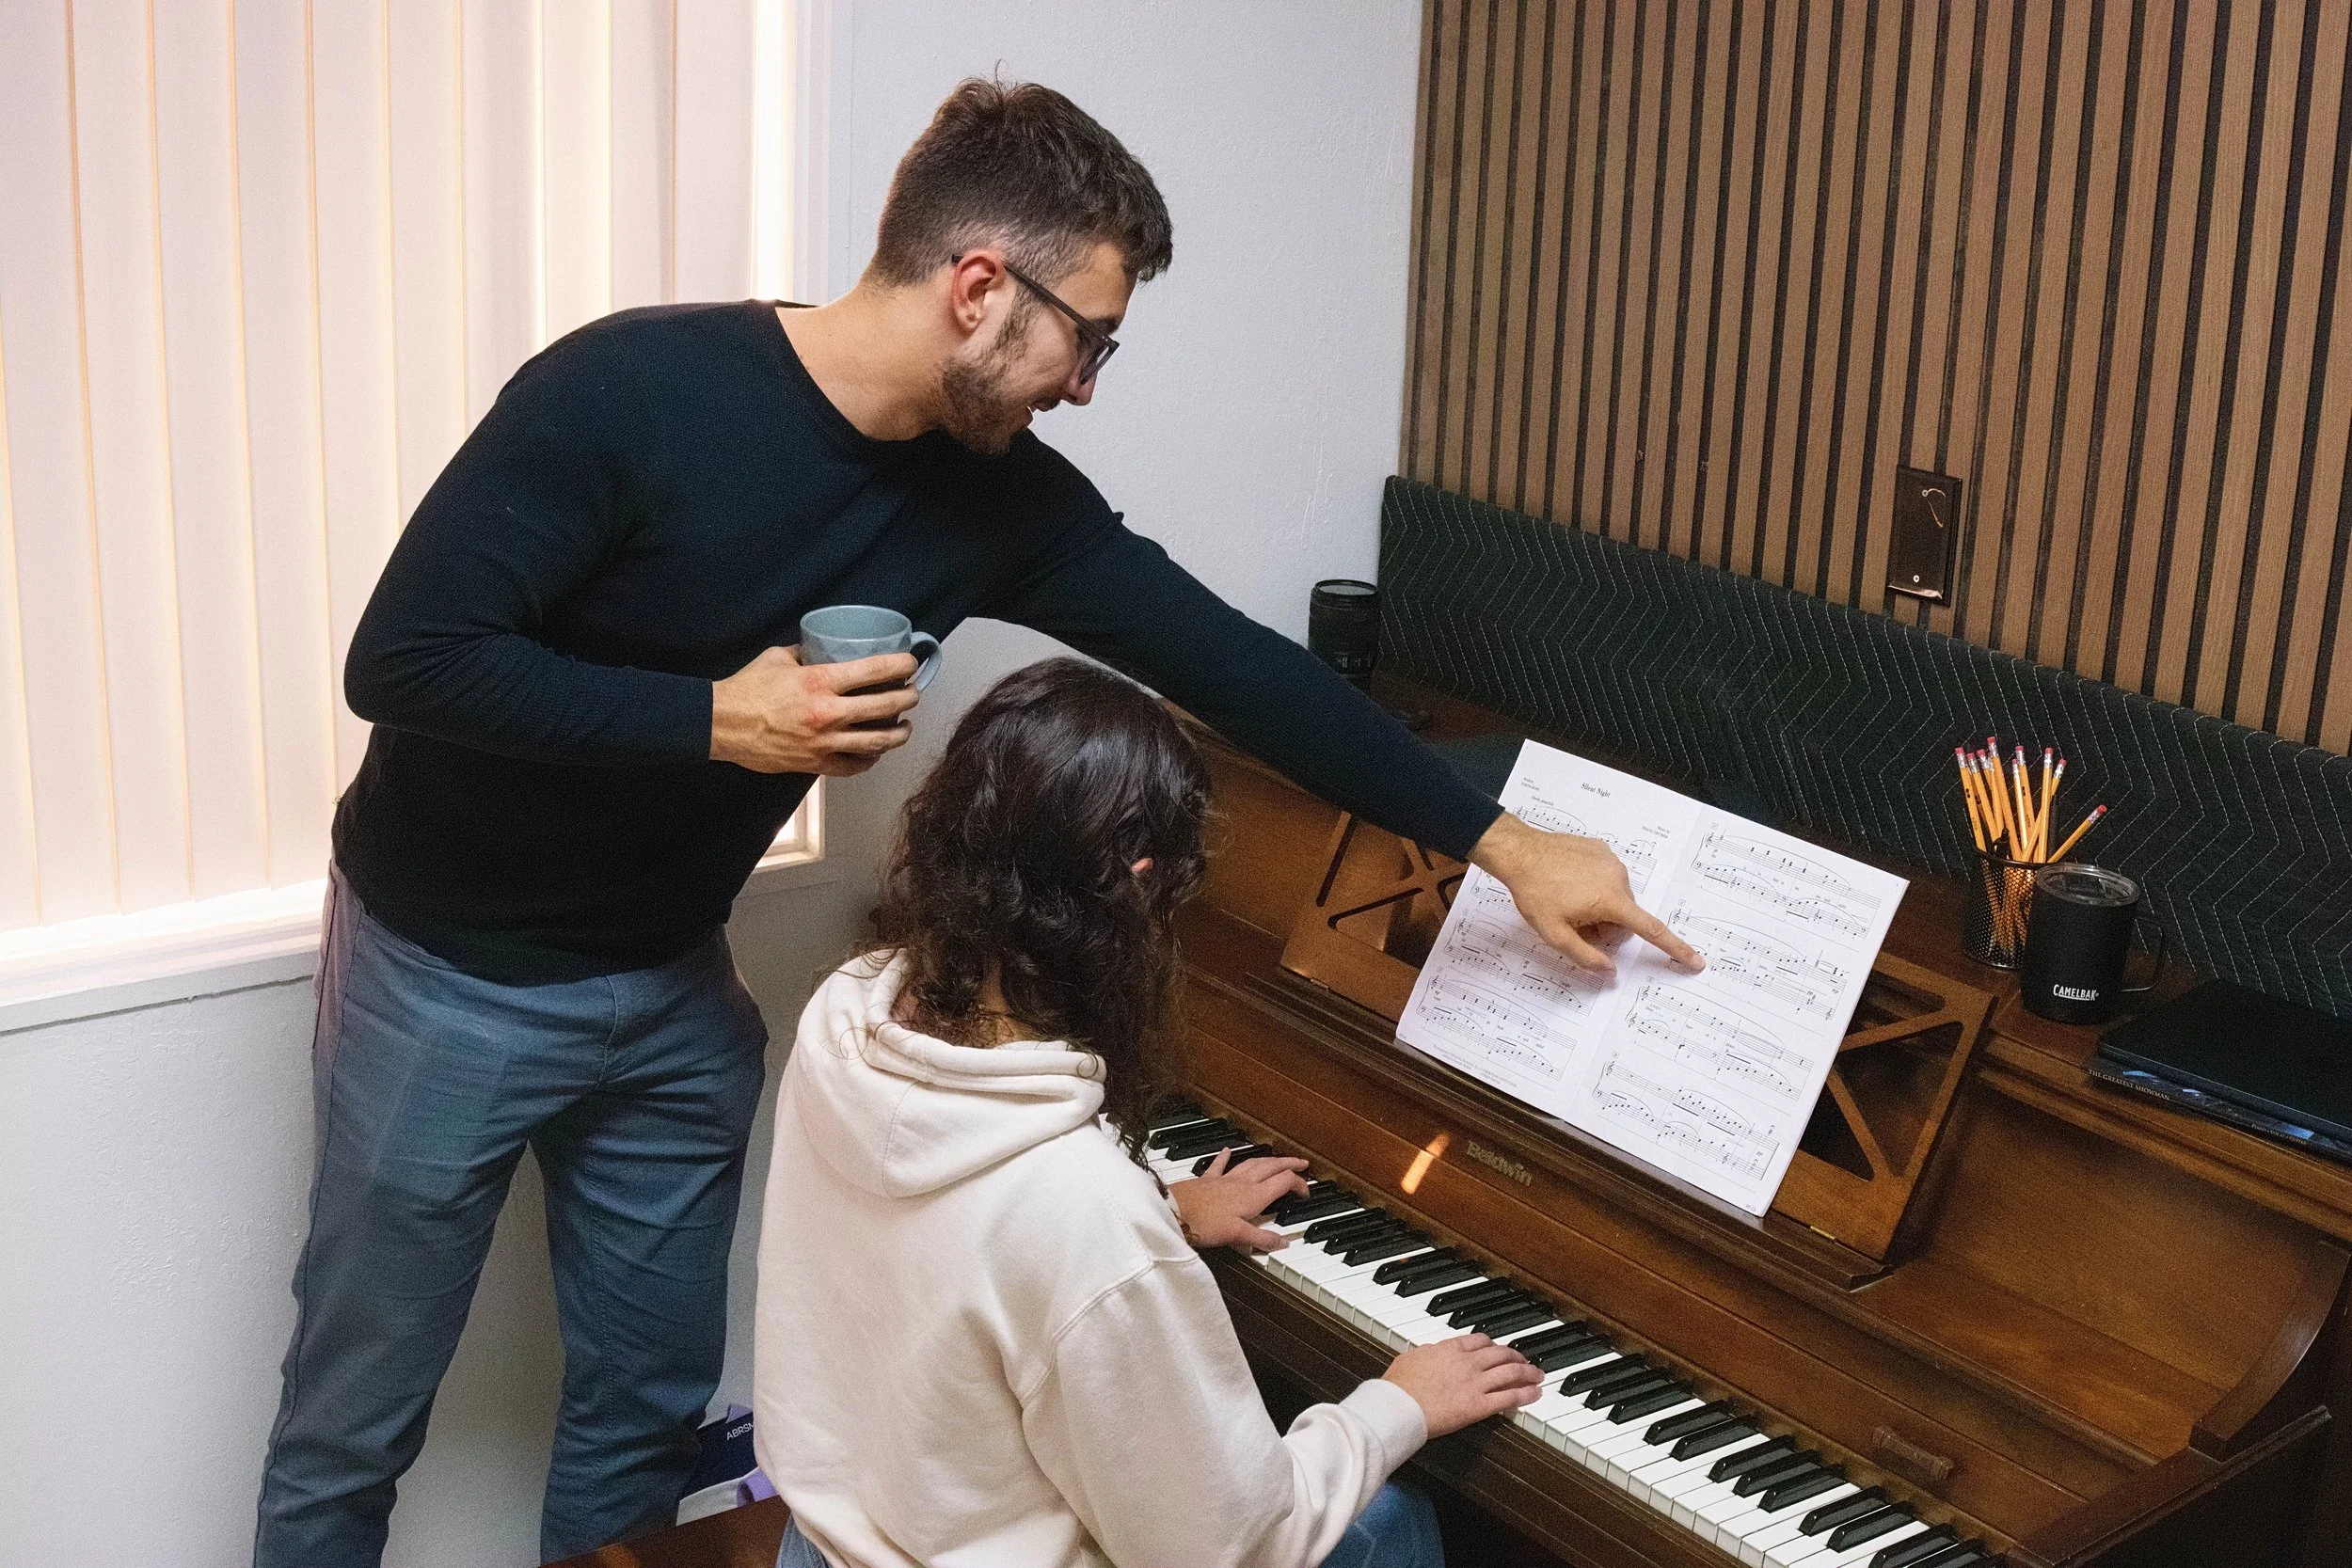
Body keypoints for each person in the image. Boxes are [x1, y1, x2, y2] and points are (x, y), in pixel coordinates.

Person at [253, 77, 1695, 1567]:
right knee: (352, 1421)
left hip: (670, 981)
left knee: (643, 1408)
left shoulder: (991, 497)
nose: (1084, 383)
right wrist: (713, 717)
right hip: (449, 970)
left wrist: (1507, 845)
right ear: (981, 286)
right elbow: (404, 660)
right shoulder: (624, 393)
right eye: (1090, 336)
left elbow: (1233, 665)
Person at [757, 658, 1544, 1568]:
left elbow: (954, 1249)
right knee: (1399, 1523)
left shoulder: (852, 1009)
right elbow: (1229, 1551)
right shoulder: (1078, 1209)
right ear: (1138, 880)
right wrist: (1397, 1402)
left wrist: (1162, 1212)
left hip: (824, 1539)